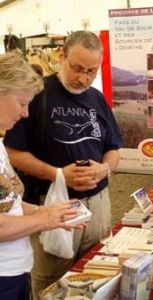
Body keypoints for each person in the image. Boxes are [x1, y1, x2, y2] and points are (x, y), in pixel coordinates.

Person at [4, 31, 123, 299]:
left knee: (96, 269)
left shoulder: (96, 98)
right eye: (77, 68)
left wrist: (104, 168)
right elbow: (13, 152)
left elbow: (114, 149)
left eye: (91, 71)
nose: (84, 78)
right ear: (62, 57)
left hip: (98, 202)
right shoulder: (36, 94)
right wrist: (58, 174)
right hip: (52, 200)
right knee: (51, 279)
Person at [0, 51, 84, 300]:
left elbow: (8, 204)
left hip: (16, 269)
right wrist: (46, 219)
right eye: (21, 103)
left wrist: (45, 211)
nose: (25, 113)